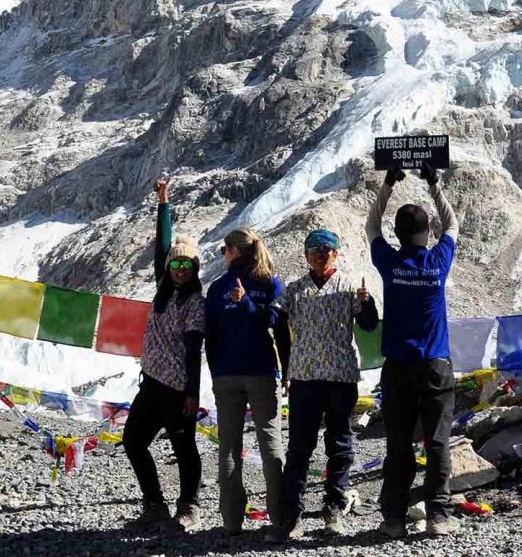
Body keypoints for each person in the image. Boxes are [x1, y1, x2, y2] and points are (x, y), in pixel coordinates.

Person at [365, 163, 460, 539]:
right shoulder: (438, 262)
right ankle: (439, 514)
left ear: (398, 234)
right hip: (435, 365)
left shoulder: (390, 263)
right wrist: (434, 184)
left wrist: (388, 183)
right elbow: (452, 225)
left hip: (398, 367)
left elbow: (372, 226)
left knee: (398, 443)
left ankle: (393, 518)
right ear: (427, 233)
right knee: (437, 440)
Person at [268, 229, 379, 542]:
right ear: (305, 255)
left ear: (336, 253)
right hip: (303, 378)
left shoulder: (348, 287)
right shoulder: (293, 290)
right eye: (313, 249)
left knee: (340, 445)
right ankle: (292, 516)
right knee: (299, 447)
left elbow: (369, 324)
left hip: (341, 378)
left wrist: (366, 303)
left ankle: (334, 508)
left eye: (326, 248)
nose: (319, 253)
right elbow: (273, 317)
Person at [122, 179, 205, 532]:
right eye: (176, 264)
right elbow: (163, 245)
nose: (181, 269)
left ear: (195, 268)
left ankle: (189, 508)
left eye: (187, 265)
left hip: (177, 389)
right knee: (134, 441)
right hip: (152, 384)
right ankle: (154, 505)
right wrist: (164, 203)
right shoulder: (162, 289)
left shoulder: (195, 304)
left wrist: (192, 393)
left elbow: (194, 350)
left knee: (184, 448)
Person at [205, 228, 290, 536]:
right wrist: (287, 369)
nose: (223, 255)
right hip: (262, 370)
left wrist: (216, 371)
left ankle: (231, 522)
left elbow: (210, 336)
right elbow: (279, 328)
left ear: (234, 251)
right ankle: (280, 518)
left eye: (224, 250)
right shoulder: (271, 284)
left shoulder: (216, 289)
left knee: (228, 447)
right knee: (270, 444)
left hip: (226, 374)